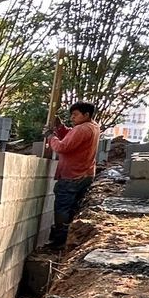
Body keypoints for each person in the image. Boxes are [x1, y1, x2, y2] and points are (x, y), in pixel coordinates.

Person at [44, 101, 100, 248]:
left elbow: (63, 147)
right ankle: (69, 238)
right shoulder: (93, 126)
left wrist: (51, 137)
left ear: (86, 114)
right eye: (72, 115)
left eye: (75, 114)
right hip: (85, 174)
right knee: (73, 208)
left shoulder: (82, 129)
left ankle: (60, 241)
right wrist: (61, 129)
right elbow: (72, 138)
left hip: (72, 176)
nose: (72, 118)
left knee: (62, 208)